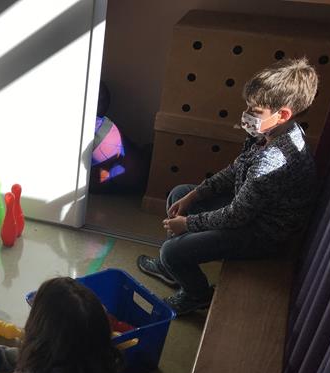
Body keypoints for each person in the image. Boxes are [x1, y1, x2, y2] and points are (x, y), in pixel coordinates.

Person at [137, 58, 319, 315]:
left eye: (255, 110)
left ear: (283, 115)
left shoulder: (273, 159)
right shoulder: (270, 132)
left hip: (263, 234)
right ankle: (174, 269)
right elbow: (236, 169)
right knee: (180, 193)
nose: (246, 114)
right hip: (250, 211)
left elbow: (236, 216)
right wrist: (195, 194)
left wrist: (188, 224)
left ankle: (196, 295)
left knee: (171, 251)